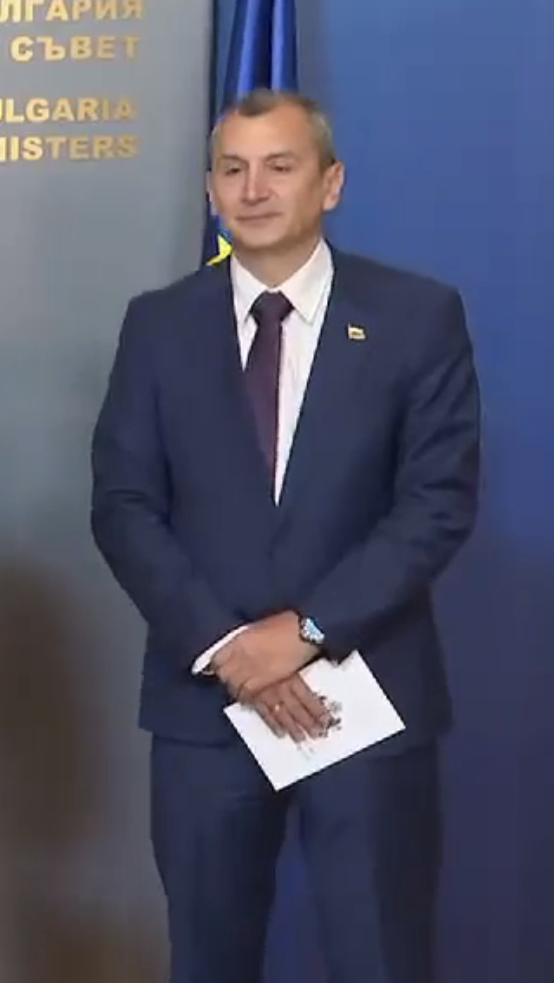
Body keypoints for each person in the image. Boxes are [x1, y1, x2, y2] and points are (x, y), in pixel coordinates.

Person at [90, 89, 480, 983]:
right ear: (210, 191)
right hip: (206, 704)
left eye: (279, 166)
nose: (254, 189)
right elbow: (123, 504)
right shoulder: (158, 324)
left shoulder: (416, 316)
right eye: (232, 169)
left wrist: (305, 632)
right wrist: (229, 647)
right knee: (208, 960)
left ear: (330, 183)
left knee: (380, 958)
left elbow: (436, 503)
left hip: (366, 699)